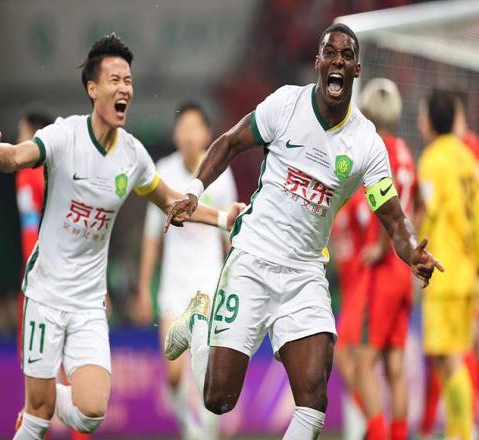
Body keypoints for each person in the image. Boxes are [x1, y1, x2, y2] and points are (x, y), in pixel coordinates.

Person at [163, 23, 443, 439]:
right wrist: (193, 190)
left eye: (347, 56)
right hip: (253, 260)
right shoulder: (286, 105)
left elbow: (392, 214)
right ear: (317, 63)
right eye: (330, 53)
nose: (338, 61)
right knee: (218, 400)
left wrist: (411, 251)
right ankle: (200, 322)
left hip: (304, 274)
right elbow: (229, 142)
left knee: (313, 403)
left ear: (357, 69)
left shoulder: (366, 143)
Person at [0, 34, 243, 440]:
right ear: (92, 88)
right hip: (46, 295)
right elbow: (15, 157)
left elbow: (173, 202)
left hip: (88, 303)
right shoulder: (64, 136)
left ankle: (42, 399)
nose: (125, 89)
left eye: (128, 81)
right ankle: (38, 405)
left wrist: (225, 218)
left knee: (91, 413)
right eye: (115, 80)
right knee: (37, 419)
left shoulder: (133, 156)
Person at [136, 103, 236, 439]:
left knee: (207, 368)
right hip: (174, 286)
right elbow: (152, 237)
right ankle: (188, 425)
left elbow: (229, 235)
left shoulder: (219, 173)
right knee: (174, 373)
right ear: (176, 135)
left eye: (195, 127)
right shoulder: (163, 172)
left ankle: (206, 432)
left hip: (209, 282)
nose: (189, 134)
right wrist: (143, 289)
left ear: (207, 134)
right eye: (183, 127)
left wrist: (237, 285)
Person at [354, 78, 421, 440]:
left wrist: (382, 246)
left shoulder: (381, 151)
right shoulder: (406, 150)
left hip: (384, 271)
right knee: (395, 365)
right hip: (404, 270)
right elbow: (419, 205)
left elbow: (387, 204)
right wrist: (411, 243)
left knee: (363, 363)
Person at [417, 88, 478, 440]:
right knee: (452, 357)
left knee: (450, 359)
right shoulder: (468, 159)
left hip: (444, 274)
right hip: (466, 273)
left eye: (422, 114)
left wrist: (412, 249)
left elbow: (428, 213)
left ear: (430, 120)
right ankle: (459, 431)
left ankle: (463, 433)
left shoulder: (433, 160)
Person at [330, 188, 369, 440]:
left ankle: (369, 419)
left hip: (362, 290)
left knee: (345, 355)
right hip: (348, 292)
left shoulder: (359, 201)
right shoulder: (337, 203)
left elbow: (374, 230)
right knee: (352, 360)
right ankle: (365, 421)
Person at [15, 111, 53, 358]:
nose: (18, 139)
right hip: (41, 269)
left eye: (22, 133)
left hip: (42, 271)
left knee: (36, 351)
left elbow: (34, 227)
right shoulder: (43, 172)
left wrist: (36, 268)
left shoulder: (32, 174)